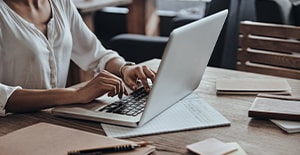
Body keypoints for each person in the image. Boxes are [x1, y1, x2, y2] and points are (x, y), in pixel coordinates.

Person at [0, 0, 156, 116]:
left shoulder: (60, 3)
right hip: (12, 124)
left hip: (54, 117)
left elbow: (96, 53)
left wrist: (125, 68)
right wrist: (75, 94)